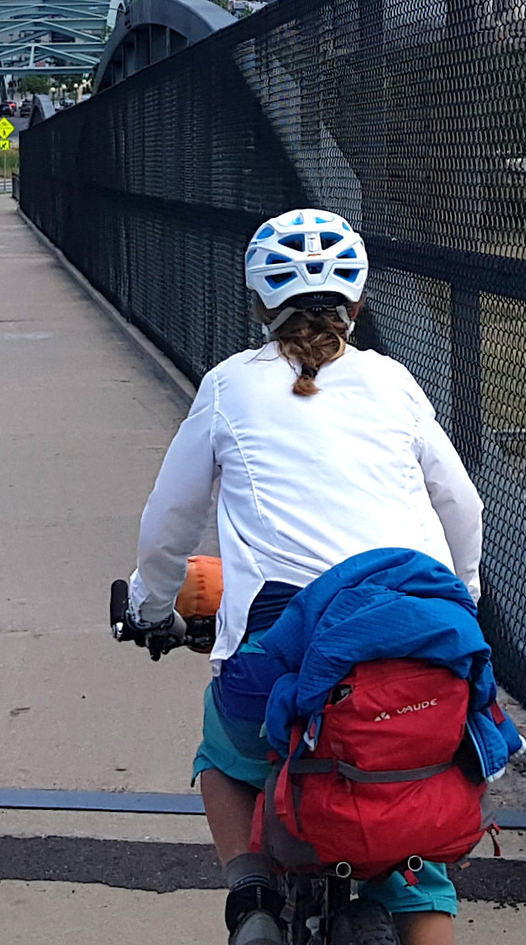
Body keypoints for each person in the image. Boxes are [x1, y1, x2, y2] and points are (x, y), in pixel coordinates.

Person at [125, 208, 484, 945]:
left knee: (222, 754)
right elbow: (463, 504)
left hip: (284, 646)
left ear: (257, 300)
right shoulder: (393, 382)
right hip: (421, 645)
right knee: (416, 846)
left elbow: (169, 521)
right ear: (359, 300)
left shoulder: (230, 386)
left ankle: (251, 897)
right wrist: (465, 597)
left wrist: (150, 603)